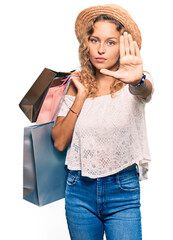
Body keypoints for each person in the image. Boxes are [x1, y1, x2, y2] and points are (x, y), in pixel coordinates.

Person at [52, 4, 154, 240]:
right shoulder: (75, 86)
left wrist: (138, 81)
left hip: (122, 191)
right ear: (86, 44)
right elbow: (59, 142)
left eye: (111, 42)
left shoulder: (133, 81)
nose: (100, 49)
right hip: (79, 191)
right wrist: (81, 95)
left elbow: (145, 91)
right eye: (94, 40)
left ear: (122, 46)